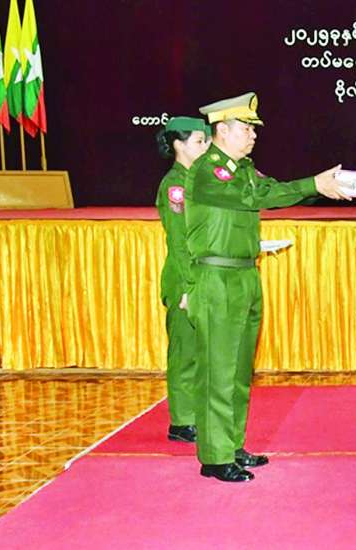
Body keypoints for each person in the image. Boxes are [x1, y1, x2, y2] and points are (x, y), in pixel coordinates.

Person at [184, 92, 350, 483]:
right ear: (223, 131)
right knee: (218, 371)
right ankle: (215, 456)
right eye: (246, 128)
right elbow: (257, 197)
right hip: (217, 278)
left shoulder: (243, 169)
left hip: (244, 275)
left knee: (240, 371)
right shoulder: (208, 170)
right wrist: (313, 184)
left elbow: (270, 189)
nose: (254, 135)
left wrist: (318, 188)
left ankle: (232, 445)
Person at [155, 117, 210, 443]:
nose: (205, 147)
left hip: (203, 275)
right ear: (179, 144)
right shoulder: (175, 185)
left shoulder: (198, 179)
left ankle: (196, 413)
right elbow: (179, 242)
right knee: (185, 351)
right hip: (184, 278)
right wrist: (189, 287)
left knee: (203, 351)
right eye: (199, 141)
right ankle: (181, 420)